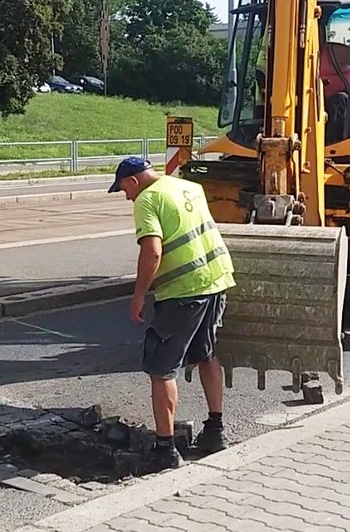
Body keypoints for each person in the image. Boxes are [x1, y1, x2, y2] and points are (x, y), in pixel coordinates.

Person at [108, 156, 235, 470]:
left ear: (134, 180)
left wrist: (138, 296)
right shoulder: (187, 187)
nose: (126, 196)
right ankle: (215, 432)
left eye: (124, 189)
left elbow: (152, 250)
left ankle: (165, 450)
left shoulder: (147, 199)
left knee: (161, 367)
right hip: (216, 281)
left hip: (184, 291)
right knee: (206, 354)